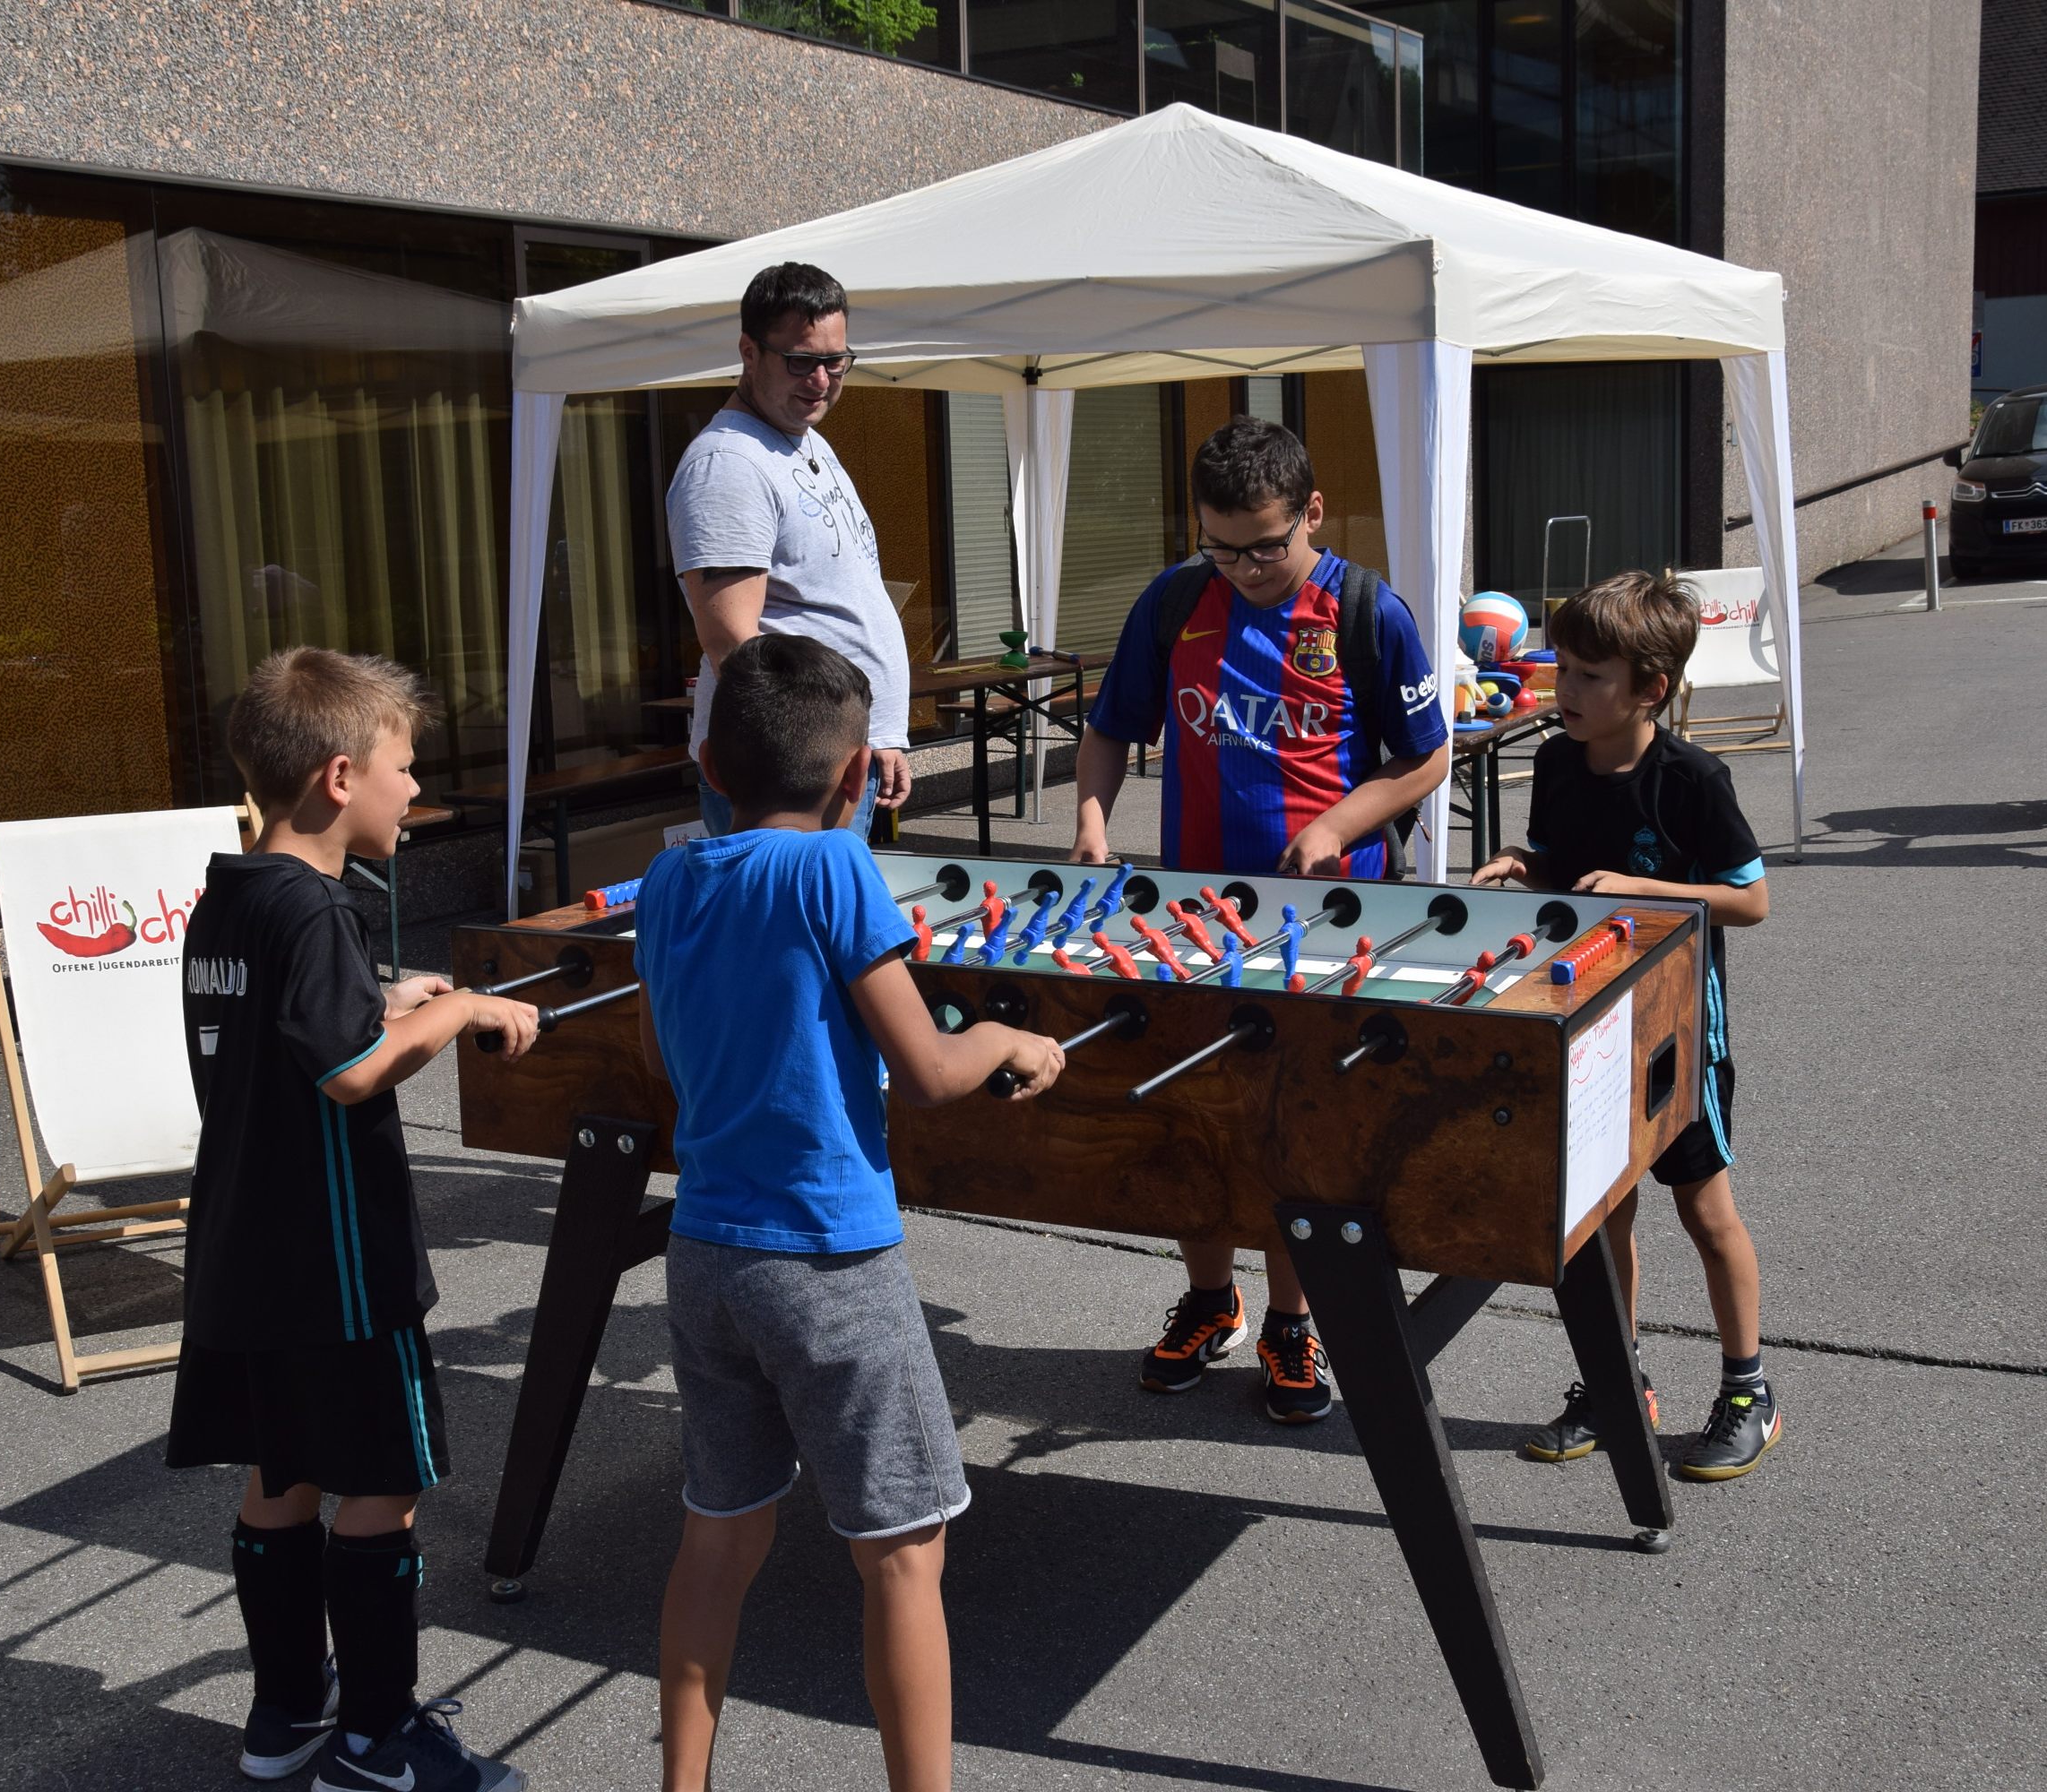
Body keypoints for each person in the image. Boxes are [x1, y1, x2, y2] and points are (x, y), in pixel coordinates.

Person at [635, 632, 1064, 1792]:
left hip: (704, 1254)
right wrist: (1008, 1039)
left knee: (718, 1532)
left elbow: (664, 1053)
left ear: (712, 765)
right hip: (829, 1259)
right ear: (848, 782)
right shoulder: (833, 871)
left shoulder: (671, 877)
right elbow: (926, 1068)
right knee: (903, 1557)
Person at [169, 647, 540, 1792]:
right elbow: (346, 1071)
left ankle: (283, 1713)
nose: (413, 792)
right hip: (340, 1265)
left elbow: (302, 1029)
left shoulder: (231, 896)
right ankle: (379, 1742)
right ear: (339, 776)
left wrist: (388, 997)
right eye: (403, 768)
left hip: (243, 1249)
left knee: (281, 1472)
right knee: (383, 1481)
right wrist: (465, 1005)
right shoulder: (320, 910)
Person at [1071, 416, 1451, 1424]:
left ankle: (1292, 1320)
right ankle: (1209, 1297)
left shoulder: (1368, 609)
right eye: (1221, 545)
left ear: (1311, 512)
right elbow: (1110, 727)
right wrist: (1090, 820)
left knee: (1291, 1131)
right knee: (1194, 1116)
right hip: (1191, 914)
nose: (1242, 566)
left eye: (1264, 545)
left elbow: (1424, 756)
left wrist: (1336, 820)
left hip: (1325, 918)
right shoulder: (1174, 600)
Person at [1472, 571, 1783, 1480]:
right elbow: (1564, 875)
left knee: (1704, 1208)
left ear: (1647, 688)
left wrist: (1649, 887)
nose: (1561, 691)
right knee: (1602, 1210)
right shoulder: (1559, 761)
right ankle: (1619, 1382)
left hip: (1679, 1026)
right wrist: (1520, 870)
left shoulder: (1691, 778)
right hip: (1586, 1018)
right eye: (1559, 668)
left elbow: (1752, 900)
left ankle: (1746, 1388)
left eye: (1586, 676)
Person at [667, 261, 913, 840]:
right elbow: (732, 643)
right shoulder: (726, 464)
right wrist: (815, 759)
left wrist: (883, 731)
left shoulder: (806, 442)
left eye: (836, 361)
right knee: (788, 930)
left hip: (839, 757)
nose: (822, 380)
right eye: (801, 361)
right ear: (749, 352)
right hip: (788, 774)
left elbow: (840, 600)